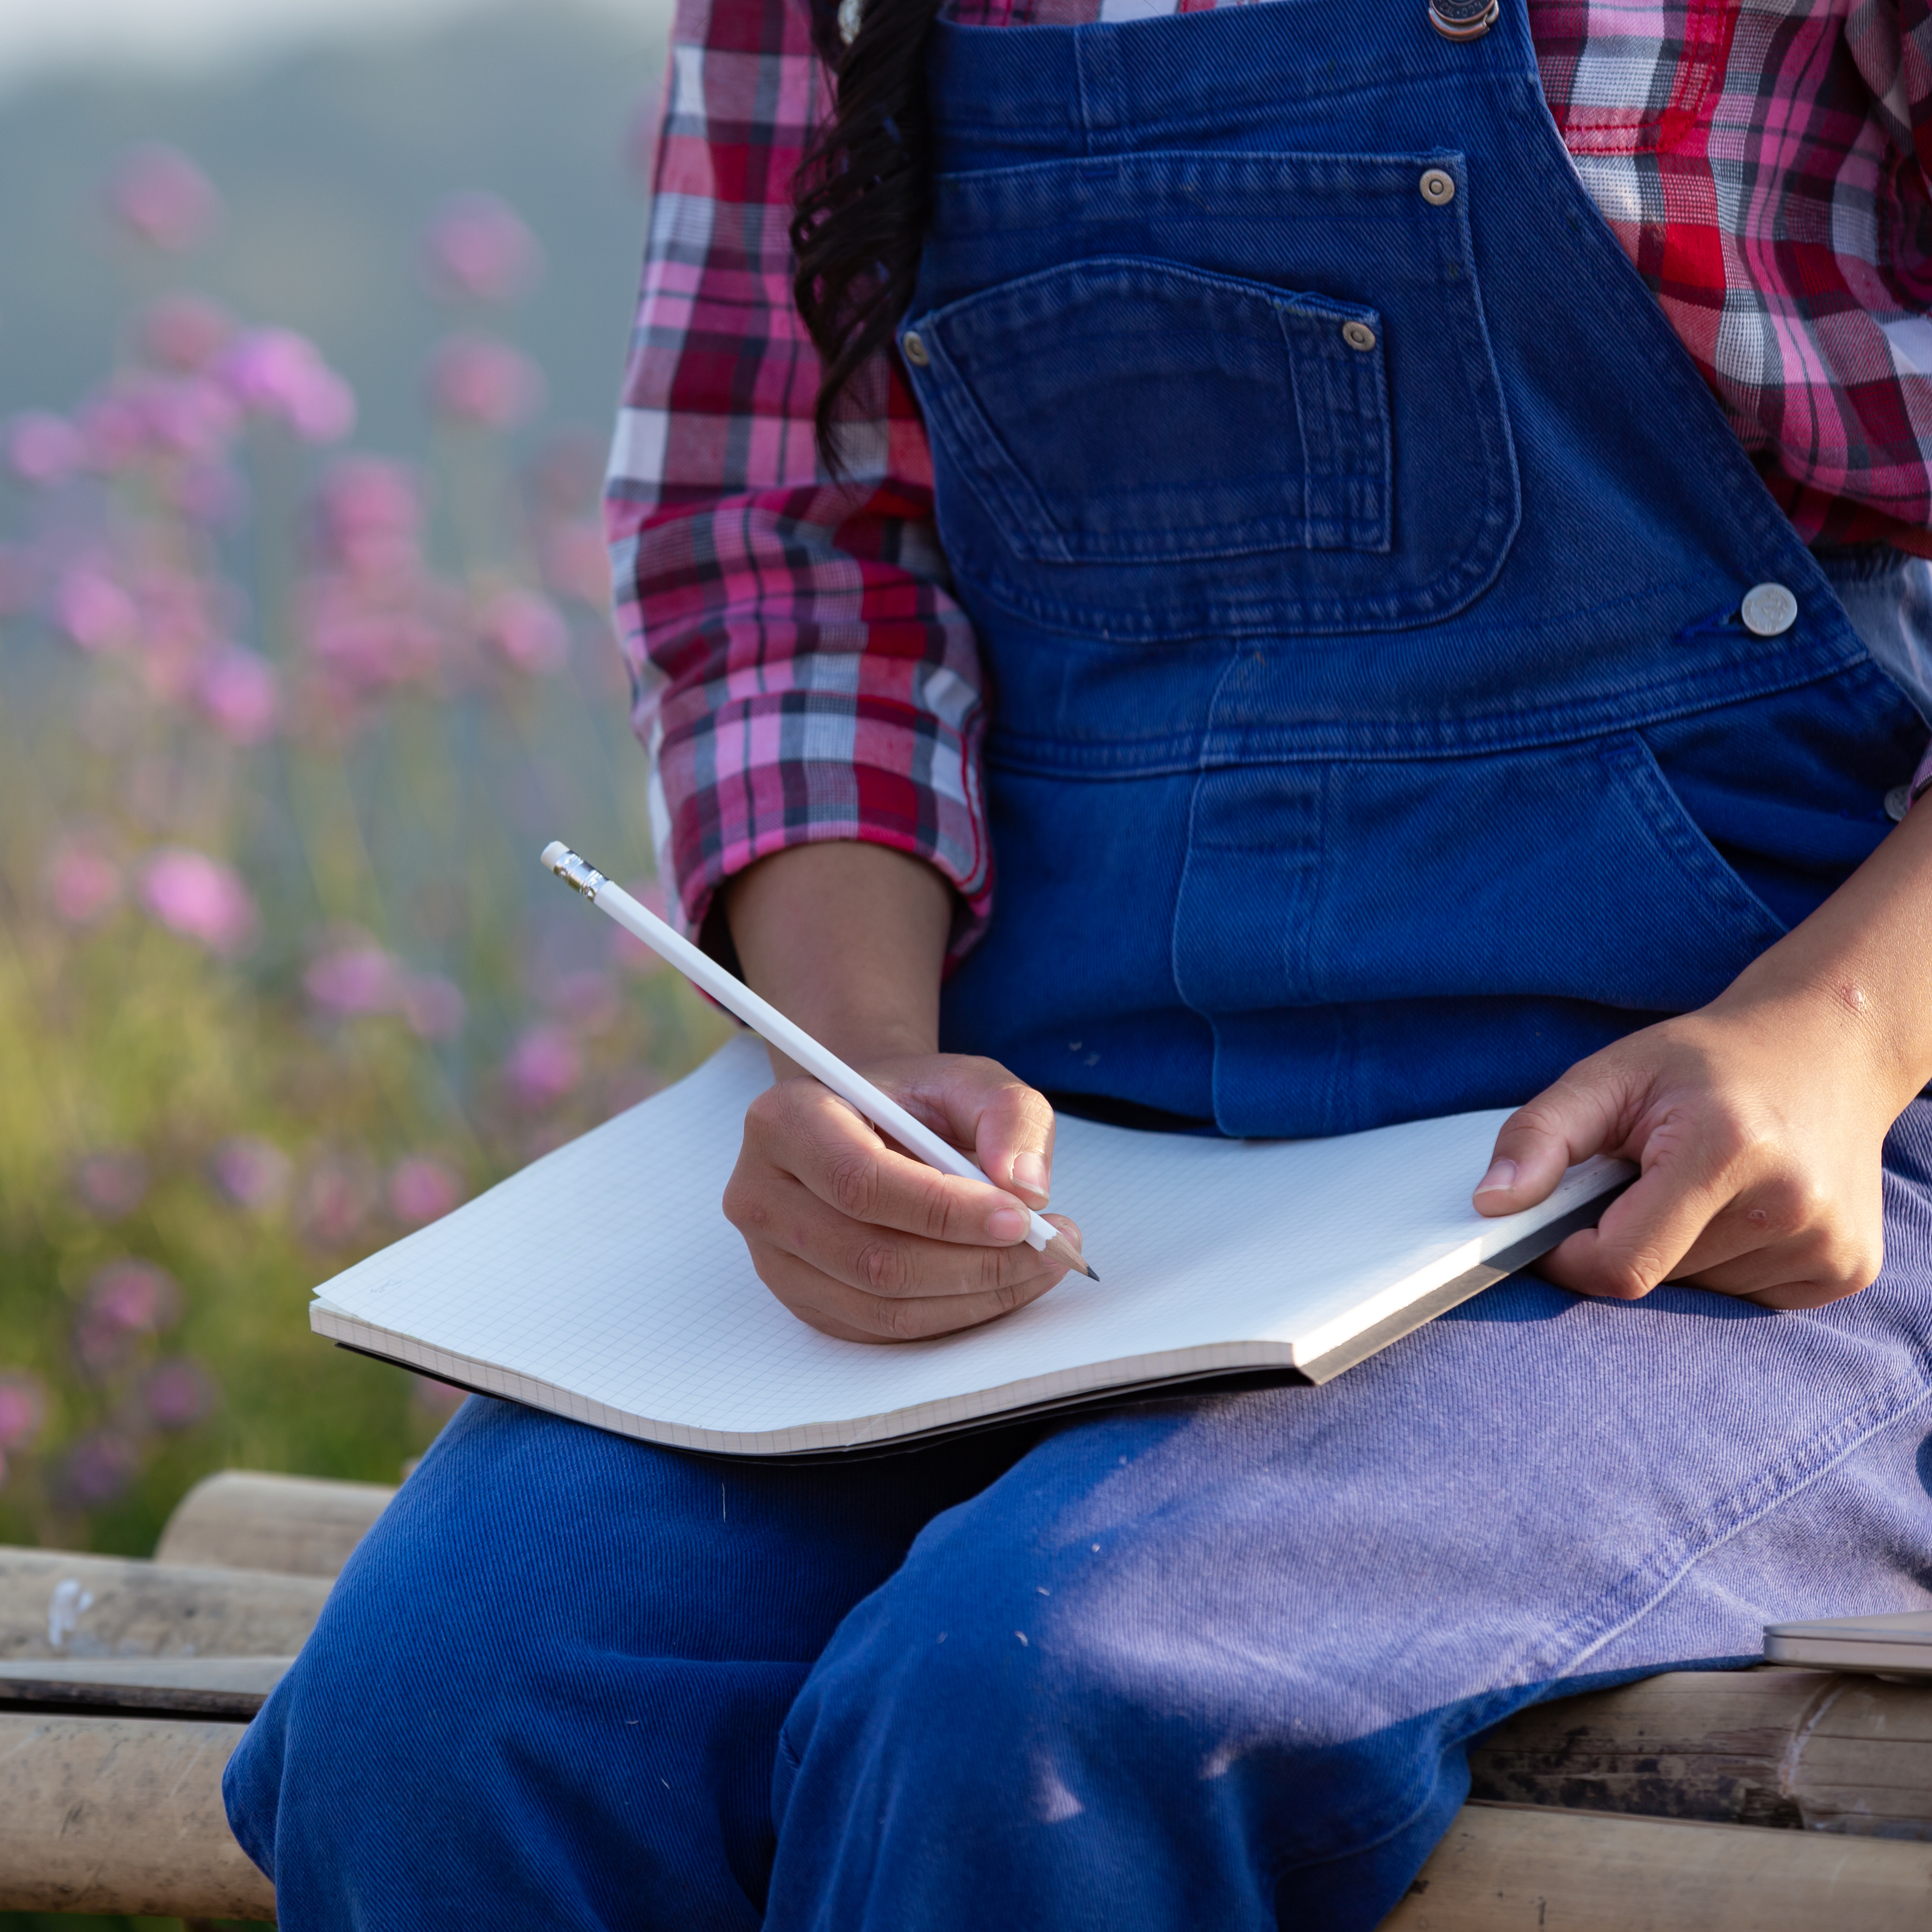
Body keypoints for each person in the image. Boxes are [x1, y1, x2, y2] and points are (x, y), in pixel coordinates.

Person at [225, 0, 1932, 1925]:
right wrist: (856, 1068)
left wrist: (1836, 1035)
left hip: (1739, 1176)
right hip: (1066, 1150)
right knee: (460, 1704)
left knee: (1036, 1710)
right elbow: (788, 543)